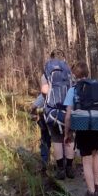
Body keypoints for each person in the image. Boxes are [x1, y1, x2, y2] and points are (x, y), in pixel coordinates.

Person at [63, 60, 98, 196]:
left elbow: (68, 116)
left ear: (74, 75)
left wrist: (67, 133)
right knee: (96, 154)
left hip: (84, 126)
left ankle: (91, 195)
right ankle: (97, 188)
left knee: (86, 159)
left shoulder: (74, 89)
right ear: (87, 73)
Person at [41, 49, 75, 179]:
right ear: (64, 59)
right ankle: (70, 169)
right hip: (68, 110)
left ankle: (60, 170)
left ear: (51, 58)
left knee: (56, 139)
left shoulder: (46, 73)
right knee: (69, 138)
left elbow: (44, 90)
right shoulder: (69, 72)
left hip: (53, 111)